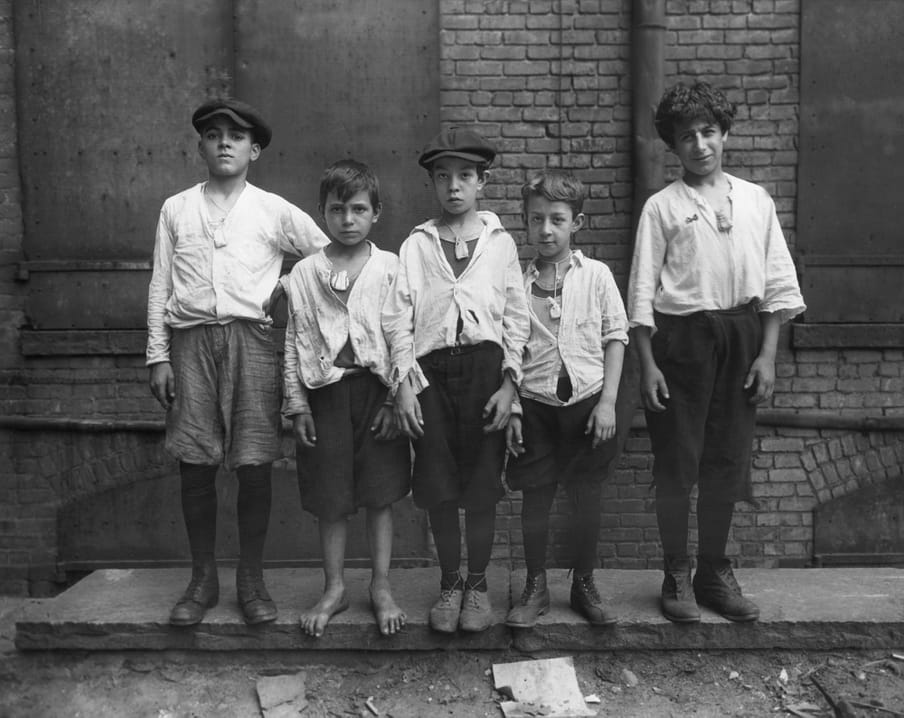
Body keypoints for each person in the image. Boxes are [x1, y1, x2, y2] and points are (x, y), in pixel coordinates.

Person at [627, 81, 805, 623]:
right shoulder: (662, 208)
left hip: (742, 336)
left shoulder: (756, 201)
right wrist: (648, 363)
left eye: (708, 132)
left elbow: (777, 283)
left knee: (726, 461)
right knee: (679, 459)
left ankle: (713, 572)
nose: (699, 144)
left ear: (724, 134)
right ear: (673, 147)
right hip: (682, 341)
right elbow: (640, 291)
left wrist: (767, 354)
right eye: (687, 137)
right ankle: (677, 571)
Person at [146, 98, 329, 626]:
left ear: (256, 149)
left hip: (254, 343)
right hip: (191, 343)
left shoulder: (271, 209)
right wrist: (158, 355)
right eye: (213, 134)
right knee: (196, 460)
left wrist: (287, 287)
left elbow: (327, 255)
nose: (224, 142)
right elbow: (160, 284)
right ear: (201, 145)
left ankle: (251, 578)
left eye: (236, 135)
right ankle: (203, 580)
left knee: (253, 462)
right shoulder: (176, 208)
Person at [382, 127, 530, 633]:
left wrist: (510, 388)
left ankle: (478, 584)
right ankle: (449, 583)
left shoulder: (500, 243)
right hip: (430, 375)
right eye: (442, 177)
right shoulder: (417, 244)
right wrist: (402, 384)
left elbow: (516, 317)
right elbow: (397, 318)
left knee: (483, 485)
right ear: (432, 184)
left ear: (482, 182)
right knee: (439, 482)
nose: (453, 187)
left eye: (465, 176)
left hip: (486, 373)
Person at [283, 160, 411, 638]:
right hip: (325, 395)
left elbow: (401, 333)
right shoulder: (305, 272)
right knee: (330, 498)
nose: (348, 219)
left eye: (359, 209)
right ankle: (334, 588)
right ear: (322, 213)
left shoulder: (390, 266)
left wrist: (398, 395)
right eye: (337, 210)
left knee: (380, 495)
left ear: (376, 212)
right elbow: (295, 340)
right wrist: (295, 404)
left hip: (376, 392)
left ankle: (380, 586)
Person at [504, 171, 628, 628]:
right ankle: (535, 586)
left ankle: (584, 583)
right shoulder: (516, 282)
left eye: (557, 219)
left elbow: (616, 337)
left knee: (585, 498)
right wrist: (514, 406)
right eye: (536, 220)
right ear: (526, 223)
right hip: (536, 406)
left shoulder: (595, 276)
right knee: (535, 499)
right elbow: (510, 348)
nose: (546, 230)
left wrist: (608, 403)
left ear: (577, 223)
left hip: (587, 404)